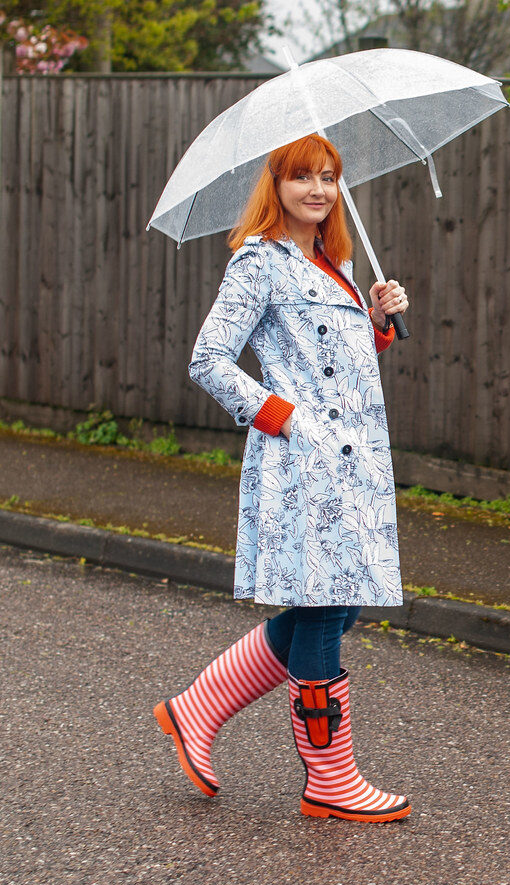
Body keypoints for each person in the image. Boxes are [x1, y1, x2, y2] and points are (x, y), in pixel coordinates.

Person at [153, 134, 411, 823]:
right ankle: (330, 780)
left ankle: (196, 707)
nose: (318, 190)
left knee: (340, 603)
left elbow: (341, 368)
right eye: (302, 177)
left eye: (328, 176)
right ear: (278, 185)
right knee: (326, 608)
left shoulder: (333, 266)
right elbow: (209, 360)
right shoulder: (259, 264)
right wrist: (286, 419)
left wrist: (377, 323)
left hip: (354, 466)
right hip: (302, 462)